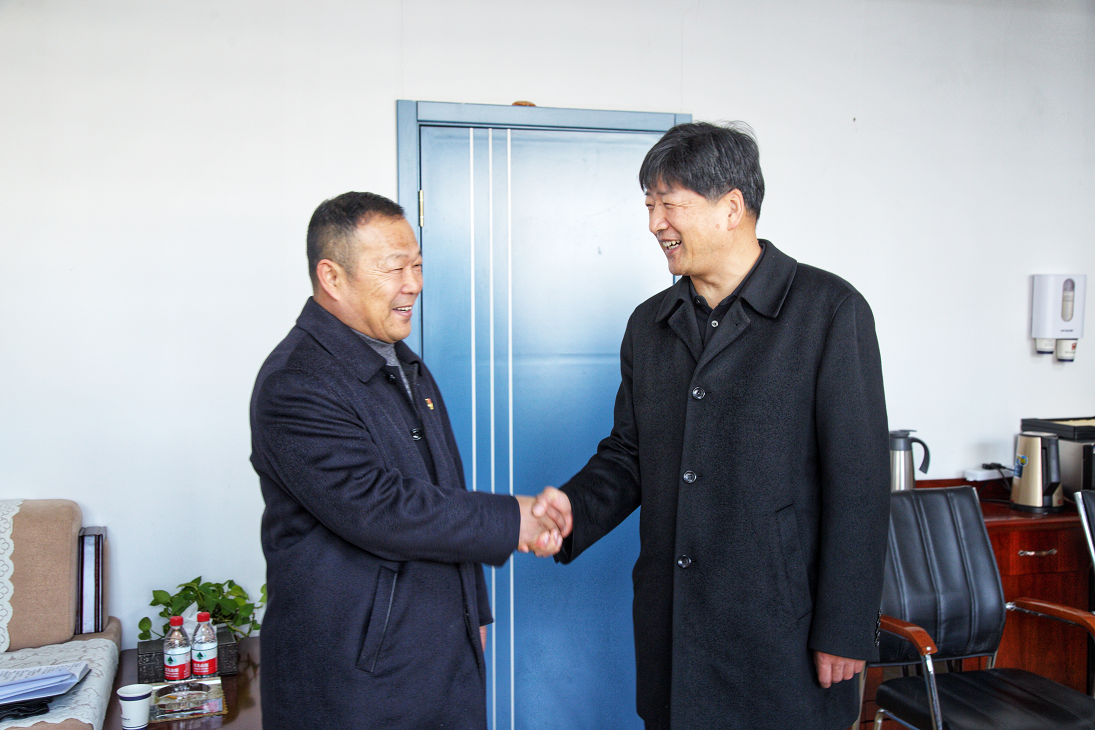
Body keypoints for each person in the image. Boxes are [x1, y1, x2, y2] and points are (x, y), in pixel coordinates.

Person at [534, 122, 890, 730]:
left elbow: (859, 482)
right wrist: (573, 510)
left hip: (783, 634)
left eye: (669, 204)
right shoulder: (649, 324)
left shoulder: (829, 312)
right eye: (649, 205)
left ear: (731, 207)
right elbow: (628, 454)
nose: (654, 224)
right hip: (674, 627)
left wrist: (845, 627)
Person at [250, 192, 563, 730]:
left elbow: (445, 489)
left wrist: (473, 611)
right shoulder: (295, 383)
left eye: (417, 266)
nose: (414, 284)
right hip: (354, 679)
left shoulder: (402, 362)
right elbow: (379, 508)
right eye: (395, 268)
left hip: (433, 654)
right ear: (332, 277)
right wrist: (518, 519)